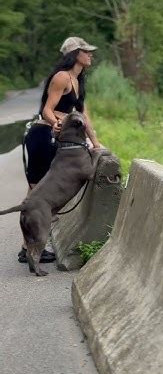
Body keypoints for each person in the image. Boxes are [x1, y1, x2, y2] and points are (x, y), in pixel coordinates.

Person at [18, 36, 101, 264]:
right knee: (36, 192)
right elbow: (47, 109)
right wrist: (56, 121)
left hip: (55, 138)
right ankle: (28, 247)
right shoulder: (62, 77)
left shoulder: (78, 79)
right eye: (86, 51)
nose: (90, 55)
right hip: (42, 135)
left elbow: (83, 117)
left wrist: (95, 143)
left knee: (42, 191)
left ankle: (29, 247)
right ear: (75, 54)